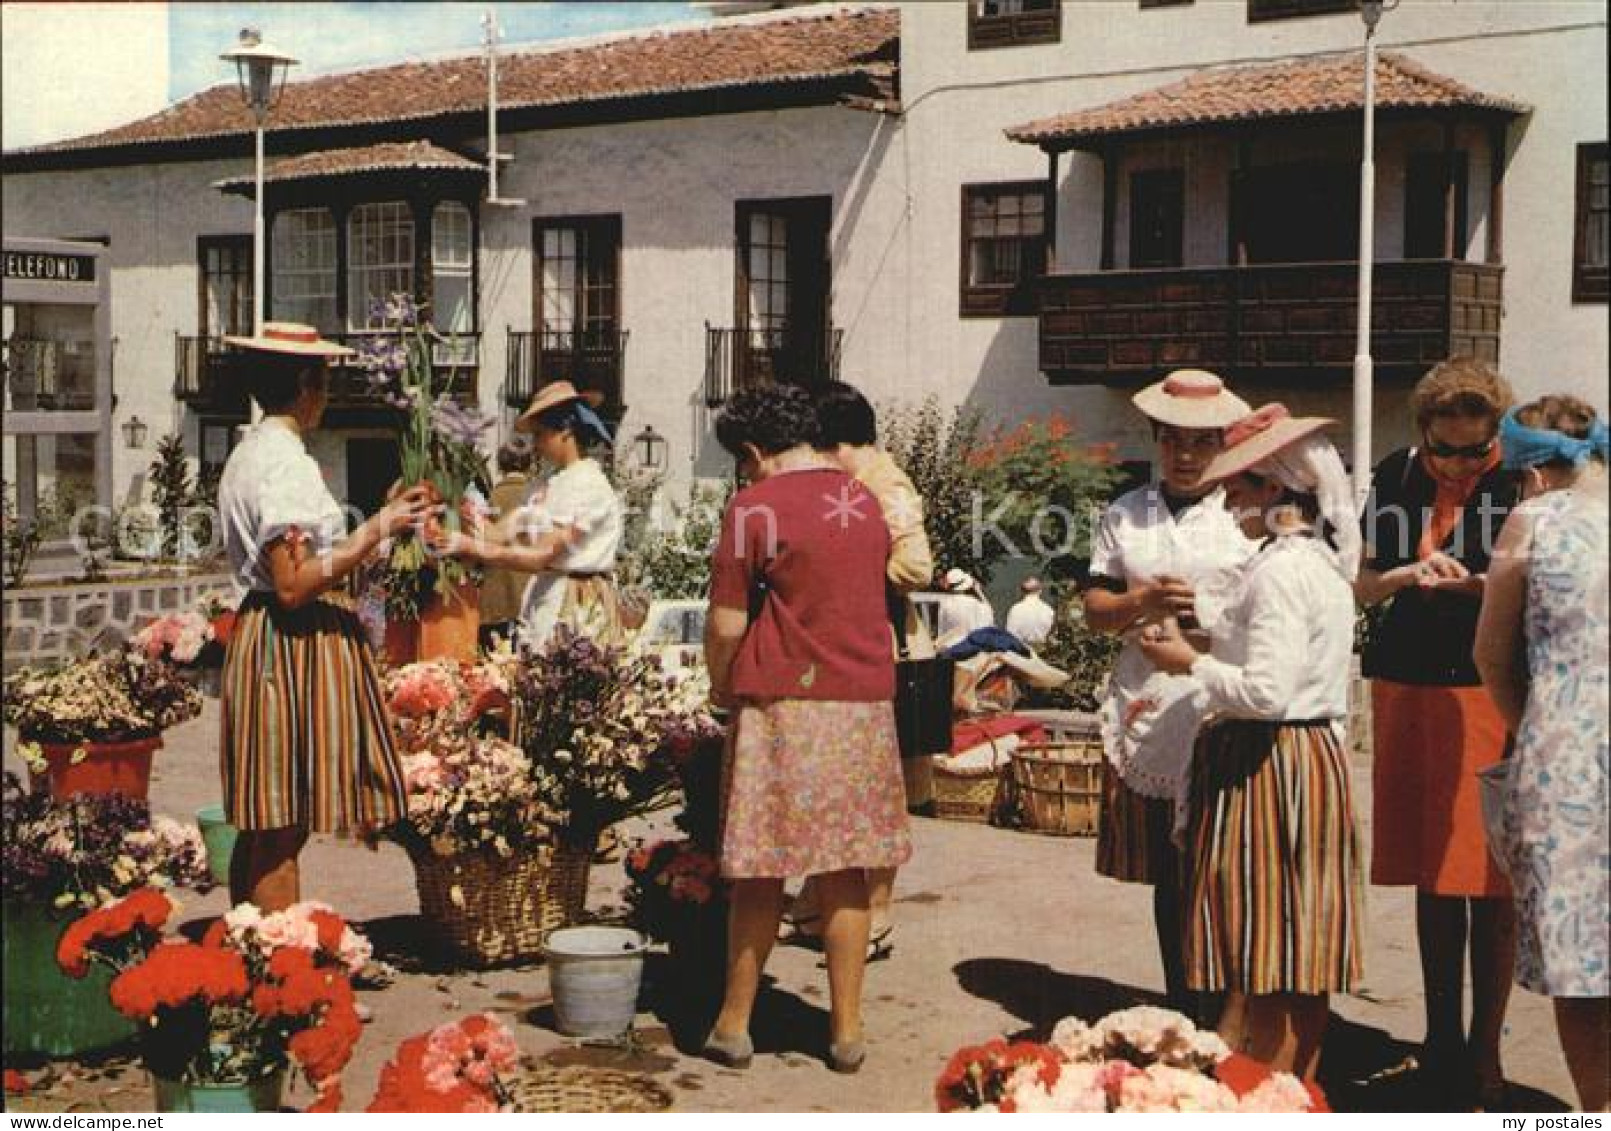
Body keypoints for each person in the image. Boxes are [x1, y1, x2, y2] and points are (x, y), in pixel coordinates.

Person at [1139, 404, 1364, 1080]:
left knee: (1266, 949)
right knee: (1297, 951)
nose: (1225, 499)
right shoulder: (1311, 563)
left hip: (1272, 764)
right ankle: (1294, 1091)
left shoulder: (1280, 572)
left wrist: (1187, 661)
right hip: (1304, 756)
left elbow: (1266, 692)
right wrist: (1208, 635)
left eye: (1236, 487)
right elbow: (1280, 661)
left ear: (1273, 490)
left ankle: (1269, 1096)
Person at [702, 384, 912, 1074]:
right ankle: (845, 1030)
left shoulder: (750, 507)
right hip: (861, 703)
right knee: (845, 868)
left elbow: (727, 622)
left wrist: (719, 680)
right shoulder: (865, 502)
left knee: (762, 868)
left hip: (781, 702)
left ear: (755, 452)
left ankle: (734, 1022)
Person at [216, 322, 435, 911]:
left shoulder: (250, 452)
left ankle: (250, 960)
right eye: (325, 381)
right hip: (290, 644)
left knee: (266, 820)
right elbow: (293, 583)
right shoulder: (285, 463)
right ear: (308, 384)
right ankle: (280, 975)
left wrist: (380, 523)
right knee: (282, 822)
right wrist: (378, 527)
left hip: (268, 637)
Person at [1357, 357, 1519, 1106]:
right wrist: (1406, 575)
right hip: (1410, 680)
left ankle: (1485, 1048)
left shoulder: (1521, 479)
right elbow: (1360, 583)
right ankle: (1438, 1036)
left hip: (1490, 689)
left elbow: (1544, 581)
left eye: (1472, 449)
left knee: (1488, 878)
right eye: (1443, 448)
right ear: (1422, 431)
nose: (1456, 463)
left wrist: (1478, 586)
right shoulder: (1394, 475)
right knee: (1431, 870)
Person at [1082, 368, 1254, 1016]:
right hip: (1149, 699)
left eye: (1201, 442)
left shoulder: (1245, 513)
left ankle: (1230, 1012)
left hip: (1222, 698)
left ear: (1222, 444)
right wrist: (1141, 598)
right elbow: (1094, 607)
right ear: (1156, 439)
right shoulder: (1126, 512)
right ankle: (1183, 1001)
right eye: (1173, 441)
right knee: (1171, 867)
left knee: (1223, 861)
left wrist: (1207, 618)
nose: (1185, 455)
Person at [1474, 396, 1609, 1113]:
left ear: (1526, 471)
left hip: (1563, 756)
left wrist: (1538, 726)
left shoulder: (1531, 519)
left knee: (1580, 959)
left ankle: (1596, 1111)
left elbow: (1490, 654)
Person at [788, 381, 936, 960]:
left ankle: (875, 915)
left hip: (889, 651)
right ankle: (817, 903)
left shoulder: (885, 481)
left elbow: (916, 565)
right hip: (855, 647)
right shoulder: (856, 481)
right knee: (843, 784)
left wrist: (844, 571)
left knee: (882, 791)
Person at [440, 381, 625, 651]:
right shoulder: (546, 483)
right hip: (546, 596)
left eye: (540, 434)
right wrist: (460, 504)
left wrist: (474, 548)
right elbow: (497, 534)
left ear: (566, 430)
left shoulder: (586, 483)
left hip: (576, 599)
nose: (535, 444)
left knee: (569, 674)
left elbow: (541, 555)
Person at [478, 438, 534, 647]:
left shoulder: (492, 498)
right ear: (530, 463)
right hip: (529, 590)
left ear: (500, 465)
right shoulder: (536, 496)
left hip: (497, 593)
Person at [934, 567, 994, 646]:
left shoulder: (945, 604)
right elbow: (988, 619)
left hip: (951, 648)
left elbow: (942, 631)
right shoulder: (974, 603)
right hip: (971, 646)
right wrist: (978, 591)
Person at [1005, 576, 1055, 647]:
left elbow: (1010, 636)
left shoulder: (1016, 609)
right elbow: (1052, 634)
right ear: (1040, 590)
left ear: (1022, 591)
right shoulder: (1049, 610)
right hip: (1043, 652)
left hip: (1022, 652)